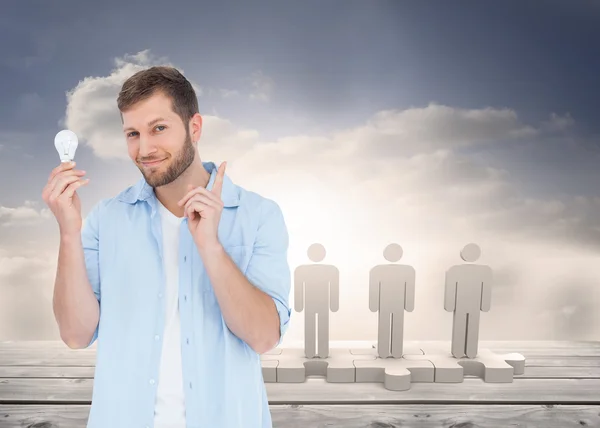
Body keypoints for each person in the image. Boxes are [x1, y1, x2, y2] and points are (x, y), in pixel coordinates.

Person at [42, 66, 292, 428]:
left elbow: (264, 337)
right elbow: (76, 334)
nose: (145, 148)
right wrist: (68, 232)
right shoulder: (106, 220)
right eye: (133, 133)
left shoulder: (258, 215)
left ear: (194, 127)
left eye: (158, 128)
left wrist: (211, 248)